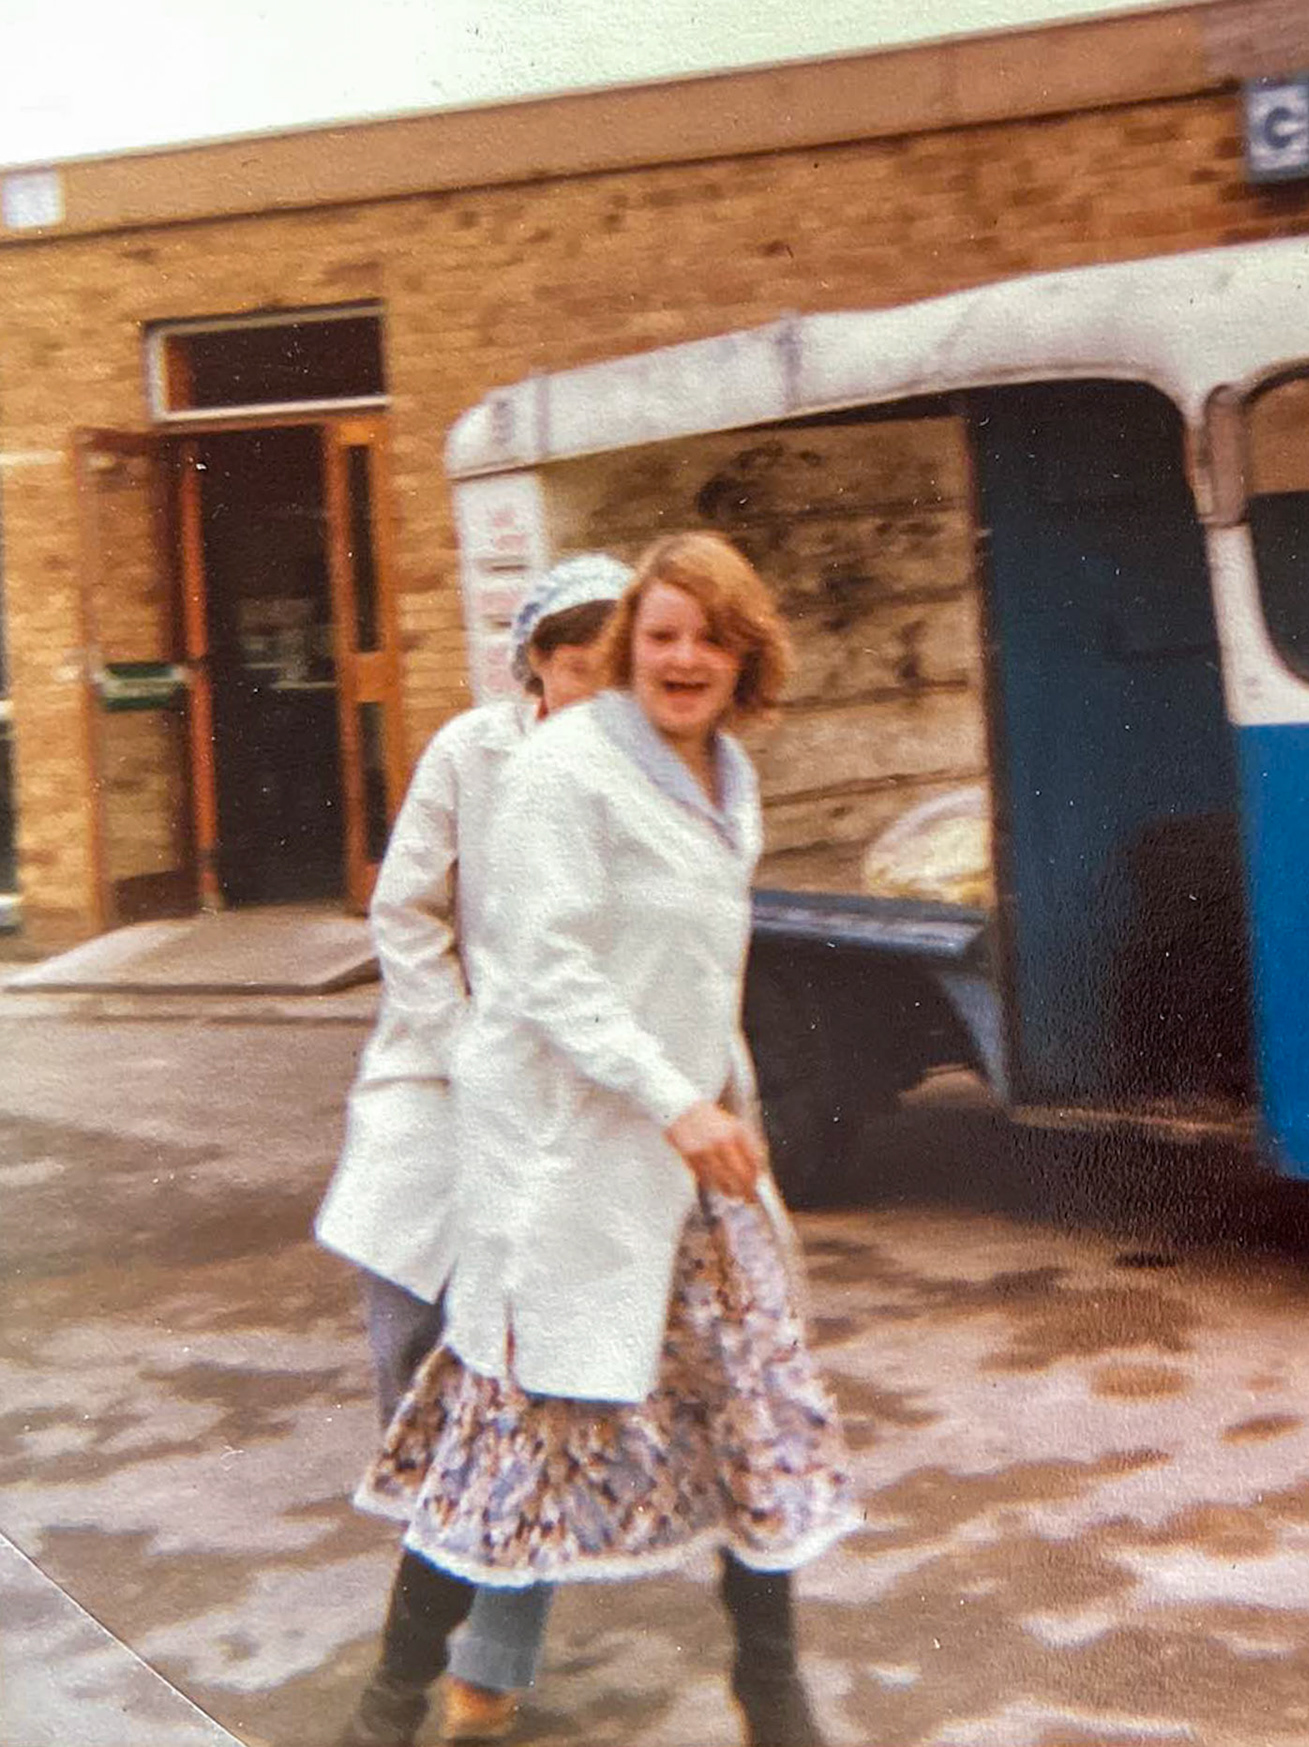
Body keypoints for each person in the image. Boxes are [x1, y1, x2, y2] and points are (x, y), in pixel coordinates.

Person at [355, 532, 855, 1747]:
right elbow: (546, 969)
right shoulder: (563, 769)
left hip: (696, 1173)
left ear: (747, 655)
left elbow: (699, 976)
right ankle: (386, 1711)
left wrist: (718, 1111)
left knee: (753, 1416)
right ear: (629, 649)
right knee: (503, 1456)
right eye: (662, 635)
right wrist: (673, 1100)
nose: (686, 659)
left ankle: (775, 1700)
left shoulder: (727, 775)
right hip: (569, 1164)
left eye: (711, 638)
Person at [317, 553, 633, 1746]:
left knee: (526, 1391)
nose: (592, 690)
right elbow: (406, 911)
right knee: (414, 1374)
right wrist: (465, 1049)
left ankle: (480, 1682)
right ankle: (447, 1599)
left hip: (567, 1114)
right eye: (573, 665)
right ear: (533, 665)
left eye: (615, 670)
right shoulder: (469, 753)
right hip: (434, 1090)